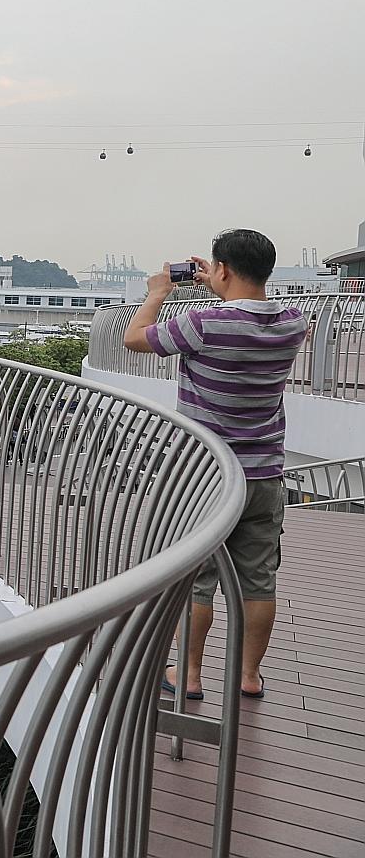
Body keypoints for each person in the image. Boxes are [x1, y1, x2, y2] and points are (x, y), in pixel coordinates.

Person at [123, 229, 306, 700]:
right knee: (259, 581)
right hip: (264, 475)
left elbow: (134, 338)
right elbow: (248, 312)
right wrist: (221, 286)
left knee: (197, 578)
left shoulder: (203, 324)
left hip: (207, 476)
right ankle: (248, 676)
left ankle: (188, 675)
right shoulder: (293, 323)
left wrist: (157, 292)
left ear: (222, 268)